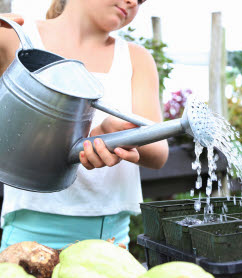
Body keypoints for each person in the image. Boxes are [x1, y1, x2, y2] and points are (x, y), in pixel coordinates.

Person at [0, 0, 169, 251]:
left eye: (142, 0)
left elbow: (159, 152)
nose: (133, 2)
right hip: (28, 236)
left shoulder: (136, 59)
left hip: (110, 239)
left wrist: (115, 137)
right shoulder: (13, 37)